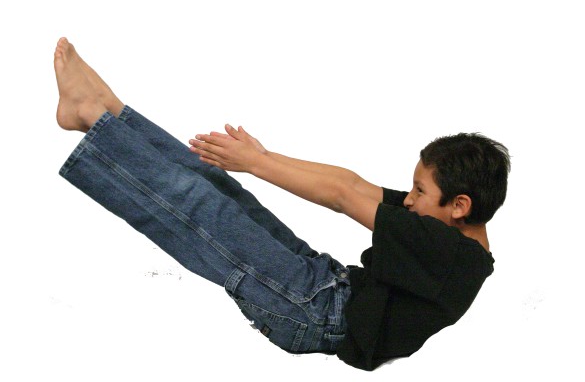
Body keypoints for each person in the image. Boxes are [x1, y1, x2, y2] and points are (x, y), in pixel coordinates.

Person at [54, 37, 510, 371]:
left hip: (315, 315)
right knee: (225, 194)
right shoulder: (446, 229)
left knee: (201, 211)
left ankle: (91, 118)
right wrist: (263, 157)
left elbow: (343, 196)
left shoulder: (452, 257)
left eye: (419, 191)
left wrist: (255, 163)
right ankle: (110, 110)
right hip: (329, 286)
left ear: (459, 204)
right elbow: (352, 183)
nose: (407, 199)